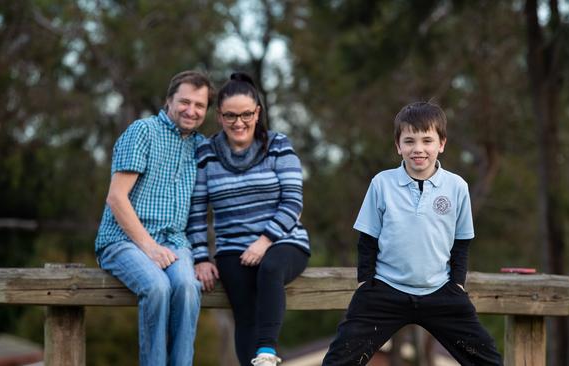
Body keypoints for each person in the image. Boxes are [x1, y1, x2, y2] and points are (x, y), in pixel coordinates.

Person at [322, 101, 503, 365]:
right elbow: (367, 241)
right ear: (398, 146)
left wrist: (457, 285)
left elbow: (461, 244)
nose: (418, 149)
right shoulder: (381, 183)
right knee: (339, 360)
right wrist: (365, 284)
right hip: (385, 289)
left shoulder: (457, 187)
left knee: (488, 359)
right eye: (409, 141)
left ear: (441, 144)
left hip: (440, 290)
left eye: (427, 140)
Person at [188, 72, 310, 366]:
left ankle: (267, 351)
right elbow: (196, 210)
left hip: (284, 241)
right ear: (219, 116)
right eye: (230, 115)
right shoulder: (206, 152)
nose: (238, 122)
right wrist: (201, 257)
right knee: (244, 312)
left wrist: (264, 241)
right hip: (233, 248)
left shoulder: (279, 146)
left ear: (257, 112)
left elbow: (293, 202)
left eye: (245, 114)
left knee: (269, 269)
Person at [95, 70, 215, 366]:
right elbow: (116, 197)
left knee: (188, 289)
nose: (191, 110)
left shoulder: (201, 147)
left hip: (174, 241)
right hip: (123, 241)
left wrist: (201, 256)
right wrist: (148, 247)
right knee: (157, 287)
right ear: (168, 101)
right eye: (184, 102)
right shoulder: (143, 132)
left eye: (199, 105)